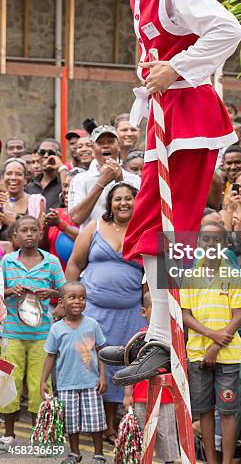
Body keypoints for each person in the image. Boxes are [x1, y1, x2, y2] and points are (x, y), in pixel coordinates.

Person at [104, 0, 241, 383]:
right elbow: (151, 64)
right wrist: (136, 113)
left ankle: (162, 338)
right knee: (151, 228)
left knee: (164, 228)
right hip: (166, 115)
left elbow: (227, 30)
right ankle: (156, 331)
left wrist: (178, 69)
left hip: (189, 117)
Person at [65, 183, 145, 444]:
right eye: (117, 199)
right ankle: (95, 424)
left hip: (131, 314)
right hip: (95, 312)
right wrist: (68, 298)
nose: (123, 203)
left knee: (121, 366)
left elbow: (155, 275)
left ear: (138, 201)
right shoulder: (95, 227)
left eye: (129, 199)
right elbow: (75, 264)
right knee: (92, 365)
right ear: (110, 203)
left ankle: (114, 426)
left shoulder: (146, 229)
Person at [180, 221, 241, 464]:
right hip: (198, 354)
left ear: (225, 245)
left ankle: (227, 461)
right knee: (205, 411)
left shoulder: (232, 275)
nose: (211, 244)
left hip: (228, 355)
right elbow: (186, 315)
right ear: (198, 243)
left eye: (217, 240)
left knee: (228, 411)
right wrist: (212, 336)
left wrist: (217, 345)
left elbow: (238, 317)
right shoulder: (190, 276)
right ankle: (211, 460)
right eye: (206, 239)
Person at [0, 216, 65, 451]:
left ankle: (39, 432)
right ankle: (8, 433)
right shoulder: (6, 262)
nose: (29, 234)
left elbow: (65, 292)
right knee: (7, 381)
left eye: (34, 230)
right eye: (23, 231)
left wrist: (53, 293)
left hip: (42, 335)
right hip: (11, 333)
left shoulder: (51, 262)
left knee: (40, 382)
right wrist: (8, 290)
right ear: (15, 237)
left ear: (40, 234)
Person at [41, 281, 107, 464]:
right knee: (70, 422)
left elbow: (102, 351)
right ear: (61, 302)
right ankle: (74, 453)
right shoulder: (56, 328)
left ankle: (99, 454)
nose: (78, 301)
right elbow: (51, 356)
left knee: (96, 421)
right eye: (72, 297)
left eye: (82, 297)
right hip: (66, 384)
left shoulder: (92, 325)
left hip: (91, 383)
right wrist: (43, 381)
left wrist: (102, 376)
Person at [123, 290, 179, 464]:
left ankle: (169, 460)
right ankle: (140, 459)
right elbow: (129, 367)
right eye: (155, 310)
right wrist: (127, 394)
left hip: (166, 396)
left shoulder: (173, 337)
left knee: (166, 431)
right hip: (140, 396)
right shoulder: (139, 338)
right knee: (141, 431)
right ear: (143, 311)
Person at [68, 125, 140, 228]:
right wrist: (101, 182)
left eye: (110, 141)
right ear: (92, 147)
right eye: (100, 143)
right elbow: (76, 218)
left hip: (125, 242)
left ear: (118, 146)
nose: (105, 146)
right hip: (93, 241)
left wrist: (120, 181)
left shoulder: (134, 180)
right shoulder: (80, 179)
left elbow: (139, 217)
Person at [42, 171, 79, 273]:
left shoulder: (88, 216)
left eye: (73, 186)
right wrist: (45, 228)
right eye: (65, 186)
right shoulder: (56, 213)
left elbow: (87, 240)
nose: (67, 190)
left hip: (78, 276)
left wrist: (60, 224)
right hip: (54, 275)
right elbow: (44, 247)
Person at [0, 158, 46, 236]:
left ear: (25, 180)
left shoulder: (36, 202)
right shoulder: (1, 202)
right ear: (3, 178)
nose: (13, 177)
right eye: (9, 173)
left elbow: (40, 237)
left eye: (18, 174)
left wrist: (13, 223)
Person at [26, 139, 64, 210]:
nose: (46, 156)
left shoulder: (64, 181)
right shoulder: (30, 186)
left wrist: (61, 167)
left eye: (51, 153)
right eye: (42, 152)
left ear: (59, 157)